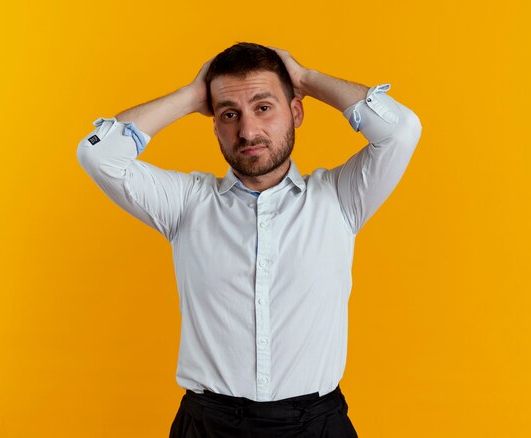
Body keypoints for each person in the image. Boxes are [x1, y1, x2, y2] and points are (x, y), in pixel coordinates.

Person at [76, 42, 422, 437]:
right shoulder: (187, 203)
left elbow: (401, 130)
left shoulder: (340, 198)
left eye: (263, 107)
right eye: (229, 114)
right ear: (214, 123)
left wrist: (305, 78)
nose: (248, 131)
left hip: (316, 425)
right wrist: (192, 95)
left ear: (295, 111)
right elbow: (98, 155)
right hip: (208, 425)